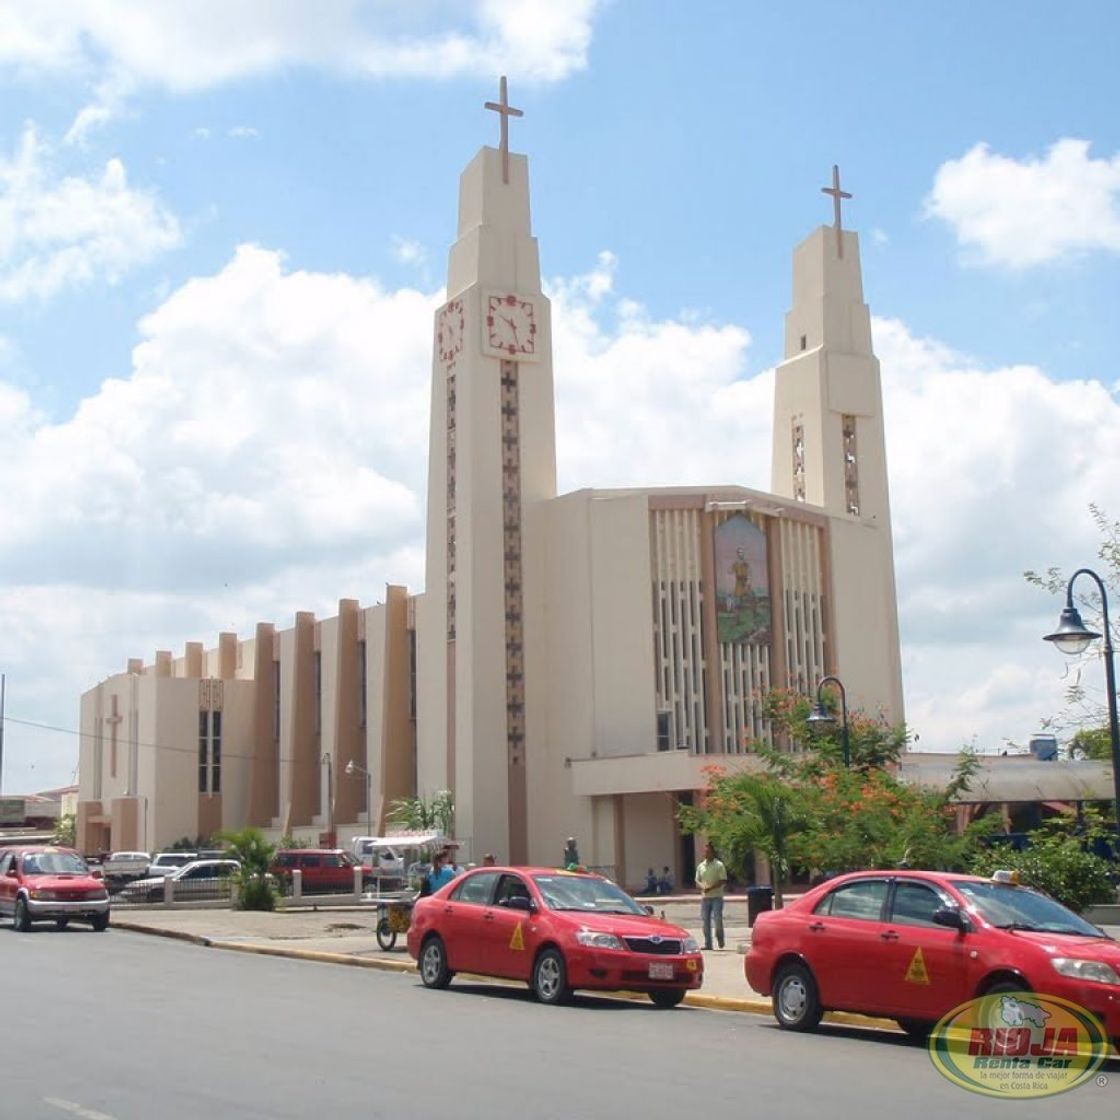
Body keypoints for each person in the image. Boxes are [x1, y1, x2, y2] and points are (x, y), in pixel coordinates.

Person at [695, 842, 727, 950]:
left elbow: (723, 880)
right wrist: (701, 886)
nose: (706, 854)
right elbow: (697, 880)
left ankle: (720, 938)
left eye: (708, 852)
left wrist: (711, 887)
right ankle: (708, 944)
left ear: (713, 852)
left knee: (717, 920)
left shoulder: (719, 865)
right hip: (705, 898)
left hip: (717, 897)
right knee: (705, 921)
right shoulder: (701, 866)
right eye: (705, 852)